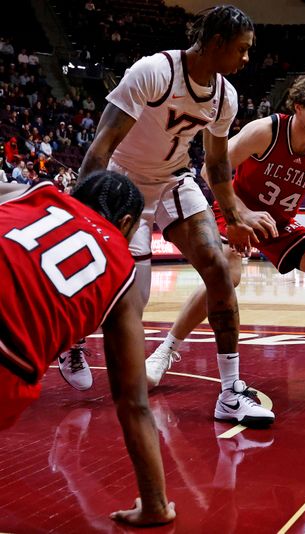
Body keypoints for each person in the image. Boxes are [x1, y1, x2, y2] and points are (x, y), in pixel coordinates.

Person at [65, 5, 274, 427]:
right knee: (132, 298)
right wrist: (87, 214)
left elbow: (216, 165)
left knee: (218, 268)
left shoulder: (225, 97)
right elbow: (100, 149)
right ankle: (71, 339)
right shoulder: (153, 72)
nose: (247, 59)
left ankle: (230, 393)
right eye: (243, 49)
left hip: (173, 181)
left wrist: (233, 215)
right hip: (123, 183)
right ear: (217, 43)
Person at [146, 71, 305, 394]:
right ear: (298, 107)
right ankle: (164, 351)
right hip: (237, 210)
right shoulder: (266, 131)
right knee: (225, 276)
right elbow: (211, 170)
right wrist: (243, 214)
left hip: (279, 221)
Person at [0, 172, 175, 527]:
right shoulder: (121, 269)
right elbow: (133, 403)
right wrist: (156, 505)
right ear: (125, 223)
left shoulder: (34, 194)